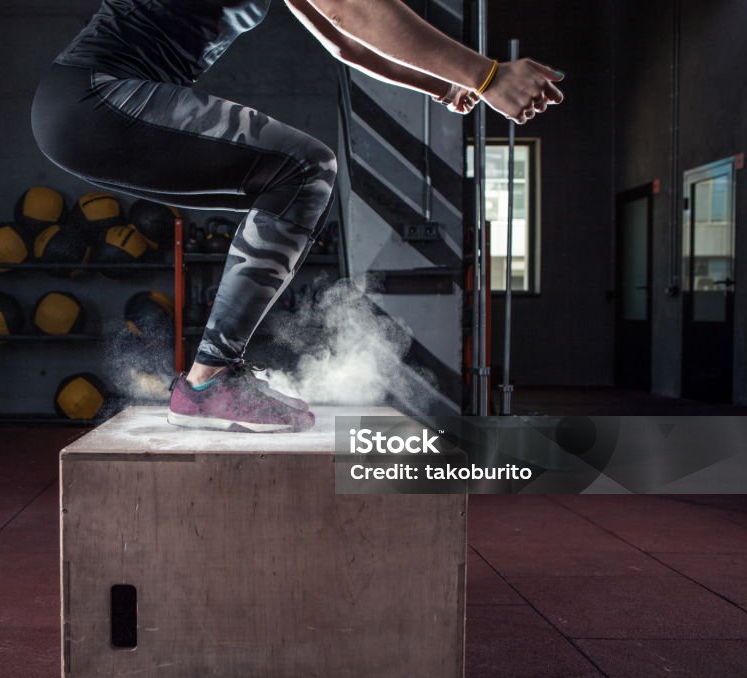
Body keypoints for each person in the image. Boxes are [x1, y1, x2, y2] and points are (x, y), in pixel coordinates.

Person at [31, 0, 563, 433]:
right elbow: (355, 12)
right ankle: (207, 382)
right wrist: (486, 74)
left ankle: (209, 380)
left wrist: (446, 84)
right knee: (305, 168)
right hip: (100, 98)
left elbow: (343, 41)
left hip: (86, 109)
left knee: (287, 183)